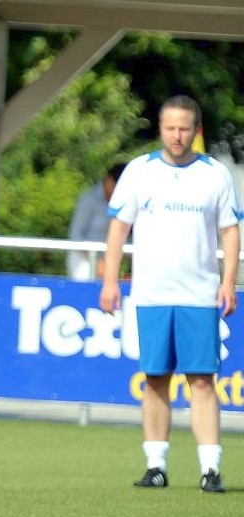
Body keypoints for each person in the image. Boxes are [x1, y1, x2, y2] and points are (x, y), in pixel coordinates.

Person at [100, 94, 242, 493]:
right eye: (170, 128)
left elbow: (229, 231)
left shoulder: (214, 175)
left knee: (202, 380)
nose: (177, 136)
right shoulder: (139, 172)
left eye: (184, 128)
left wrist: (227, 281)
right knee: (156, 379)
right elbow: (118, 229)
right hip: (152, 294)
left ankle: (210, 468)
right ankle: (156, 465)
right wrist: (111, 281)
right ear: (160, 129)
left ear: (196, 131)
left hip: (199, 295)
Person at [67, 163, 127, 281]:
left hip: (109, 258)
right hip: (82, 257)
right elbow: (75, 234)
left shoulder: (124, 202)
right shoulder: (88, 199)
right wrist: (96, 260)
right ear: (109, 180)